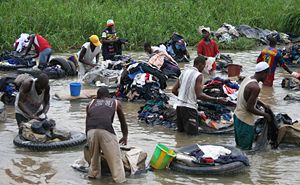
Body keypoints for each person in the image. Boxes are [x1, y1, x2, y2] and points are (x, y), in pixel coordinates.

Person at [172, 56, 227, 135]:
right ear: (200, 65)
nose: (204, 68)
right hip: (190, 109)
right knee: (192, 137)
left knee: (181, 134)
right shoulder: (199, 75)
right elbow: (200, 95)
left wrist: (183, 98)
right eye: (204, 66)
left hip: (179, 107)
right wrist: (217, 99)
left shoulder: (184, 72)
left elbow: (174, 90)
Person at [84, 86, 128, 183]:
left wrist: (88, 139)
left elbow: (87, 123)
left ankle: (94, 180)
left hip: (91, 131)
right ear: (108, 96)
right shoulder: (115, 102)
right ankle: (119, 181)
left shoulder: (90, 104)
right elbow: (122, 122)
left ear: (97, 96)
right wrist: (125, 136)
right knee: (116, 162)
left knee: (94, 161)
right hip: (106, 131)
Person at [234, 62, 272, 150]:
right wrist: (265, 115)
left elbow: (248, 98)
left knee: (239, 147)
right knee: (246, 150)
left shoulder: (248, 79)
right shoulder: (256, 87)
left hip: (237, 117)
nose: (267, 77)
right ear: (263, 73)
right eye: (267, 74)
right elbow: (250, 108)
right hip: (245, 121)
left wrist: (263, 104)